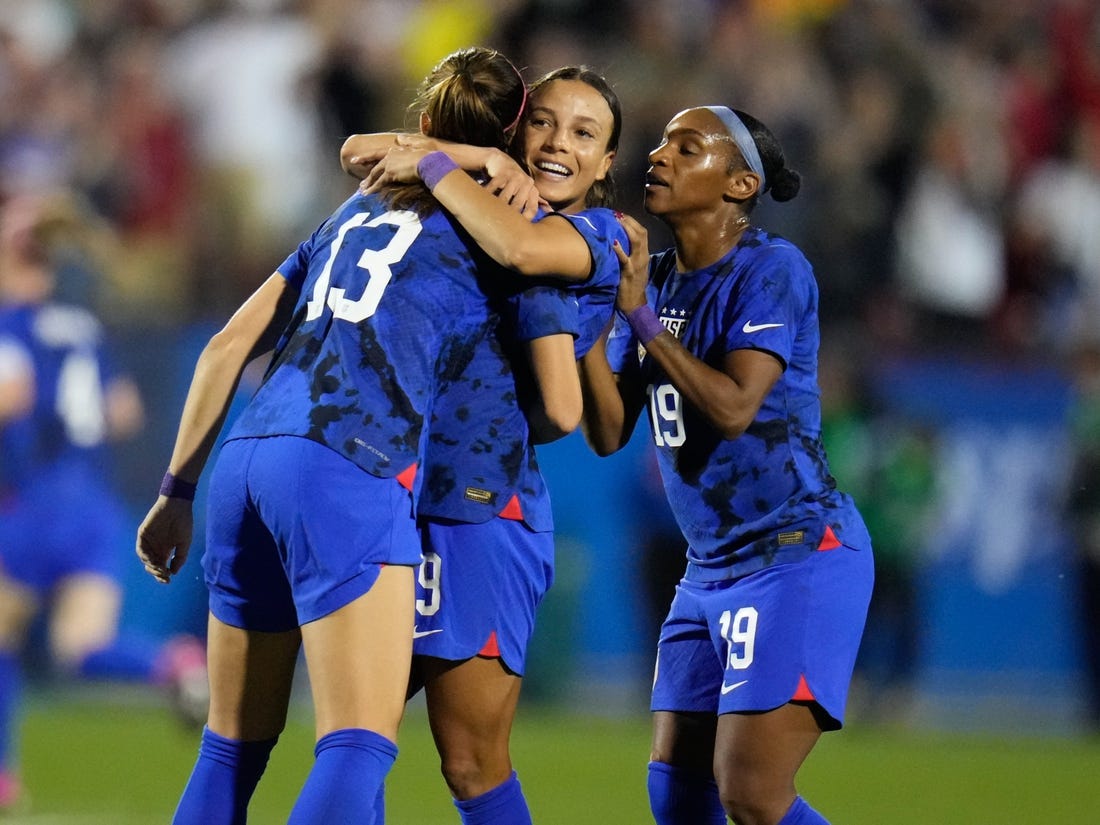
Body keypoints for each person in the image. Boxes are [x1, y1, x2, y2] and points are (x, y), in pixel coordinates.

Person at [133, 47, 557, 825]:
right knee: (358, 744)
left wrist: (174, 492)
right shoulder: (500, 226)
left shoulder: (352, 210)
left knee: (229, 746)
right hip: (348, 462)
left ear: (424, 124)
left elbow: (228, 343)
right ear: (519, 145)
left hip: (245, 458)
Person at [340, 66, 626, 824]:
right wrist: (477, 161)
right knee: (355, 739)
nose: (558, 143)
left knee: (469, 763)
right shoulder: (489, 201)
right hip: (401, 498)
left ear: (606, 166)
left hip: (481, 513)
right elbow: (360, 149)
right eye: (544, 123)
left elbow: (564, 409)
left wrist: (441, 163)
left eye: (584, 133)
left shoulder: (584, 234)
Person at [576, 106, 875, 825]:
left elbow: (736, 405)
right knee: (676, 796)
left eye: (687, 147)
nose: (659, 155)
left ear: (741, 183)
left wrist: (642, 320)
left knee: (751, 793)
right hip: (707, 566)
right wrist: (589, 323)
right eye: (660, 143)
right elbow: (610, 430)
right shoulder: (656, 280)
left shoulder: (770, 268)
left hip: (795, 554)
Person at [0, 192, 208, 813]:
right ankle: (170, 664)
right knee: (80, 648)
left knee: (3, 637)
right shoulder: (84, 327)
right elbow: (124, 412)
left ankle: (3, 775)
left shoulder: (11, 327)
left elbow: (12, 396)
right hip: (92, 507)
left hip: (30, 503)